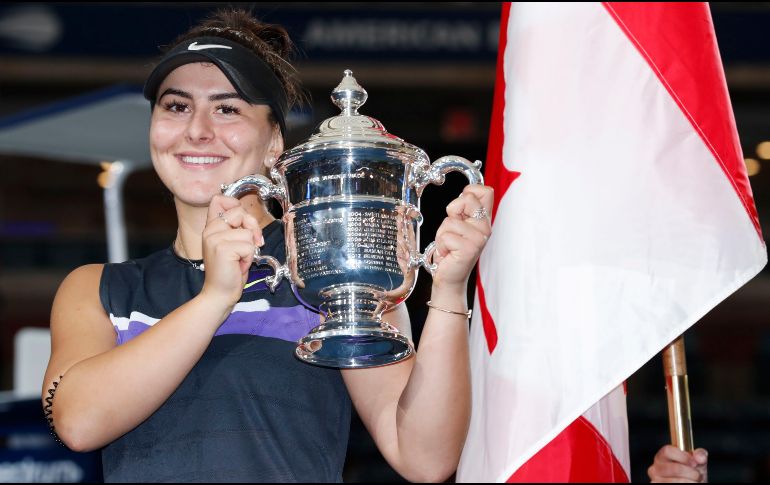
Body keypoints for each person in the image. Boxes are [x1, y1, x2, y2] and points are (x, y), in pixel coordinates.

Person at [41, 7, 707, 483]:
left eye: (229, 107)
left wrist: (445, 294)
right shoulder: (99, 288)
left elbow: (423, 456)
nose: (198, 129)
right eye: (176, 106)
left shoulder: (321, 264)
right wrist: (218, 294)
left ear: (276, 144)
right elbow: (78, 419)